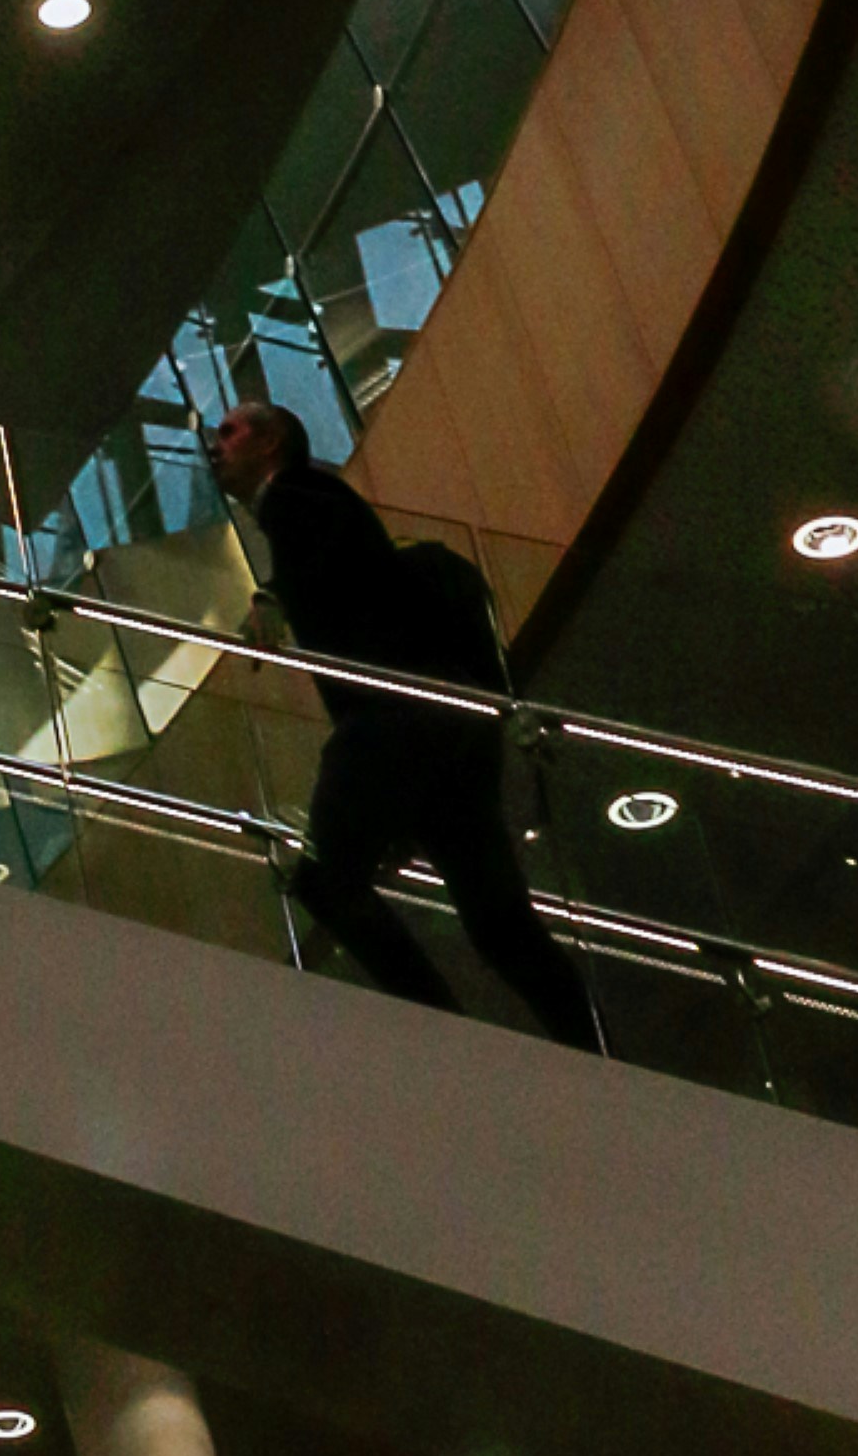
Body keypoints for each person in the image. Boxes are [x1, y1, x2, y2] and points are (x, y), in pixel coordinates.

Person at [207, 399, 601, 1048]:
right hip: (448, 723)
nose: (215, 445)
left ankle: (445, 1038)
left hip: (394, 719)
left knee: (324, 881)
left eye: (230, 432)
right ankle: (594, 1049)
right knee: (497, 919)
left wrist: (271, 596)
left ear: (270, 443)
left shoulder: (298, 494)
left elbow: (325, 544)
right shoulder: (316, 509)